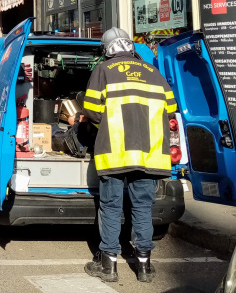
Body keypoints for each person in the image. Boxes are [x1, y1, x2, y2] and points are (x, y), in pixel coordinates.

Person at [81, 27, 177, 284]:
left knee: (111, 207)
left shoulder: (104, 70)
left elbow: (90, 109)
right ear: (129, 46)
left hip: (114, 152)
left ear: (107, 49)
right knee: (143, 207)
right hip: (149, 154)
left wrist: (109, 124)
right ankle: (144, 267)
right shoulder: (153, 72)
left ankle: (109, 267)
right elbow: (170, 108)